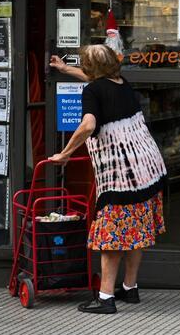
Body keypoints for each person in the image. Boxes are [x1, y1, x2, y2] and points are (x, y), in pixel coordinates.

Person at [48, 45, 167, 314]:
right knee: (137, 232)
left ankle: (105, 298)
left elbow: (89, 125)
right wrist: (66, 70)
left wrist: (65, 153)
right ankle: (130, 287)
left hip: (120, 176)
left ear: (91, 68)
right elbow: (97, 80)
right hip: (148, 170)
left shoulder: (93, 91)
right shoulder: (122, 83)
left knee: (111, 238)